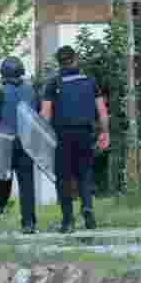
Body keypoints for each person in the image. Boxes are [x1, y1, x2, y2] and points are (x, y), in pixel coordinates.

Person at [40, 45, 110, 233]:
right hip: (85, 133)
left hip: (61, 136)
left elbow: (45, 115)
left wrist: (43, 139)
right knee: (84, 173)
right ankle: (87, 209)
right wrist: (104, 132)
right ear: (76, 59)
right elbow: (102, 111)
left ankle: (68, 221)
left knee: (63, 178)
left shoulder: (53, 84)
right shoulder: (90, 81)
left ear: (59, 62)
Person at [0, 56, 38, 234]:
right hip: (27, 144)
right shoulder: (31, 92)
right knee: (27, 186)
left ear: (4, 74)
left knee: (2, 187)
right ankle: (28, 223)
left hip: (5, 146)